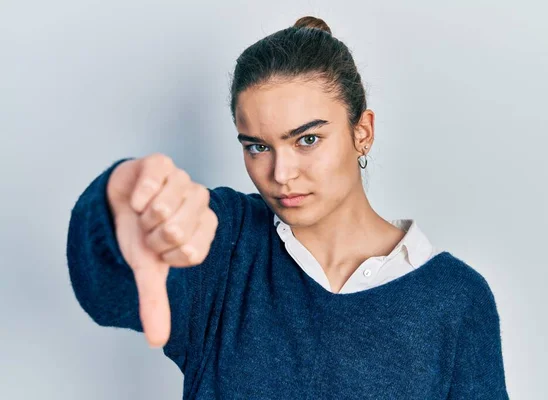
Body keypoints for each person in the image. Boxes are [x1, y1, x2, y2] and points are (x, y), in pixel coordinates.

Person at [66, 16, 509, 399]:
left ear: (363, 132)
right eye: (258, 146)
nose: (280, 174)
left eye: (307, 140)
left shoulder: (455, 298)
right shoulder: (226, 244)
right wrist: (111, 210)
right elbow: (112, 294)